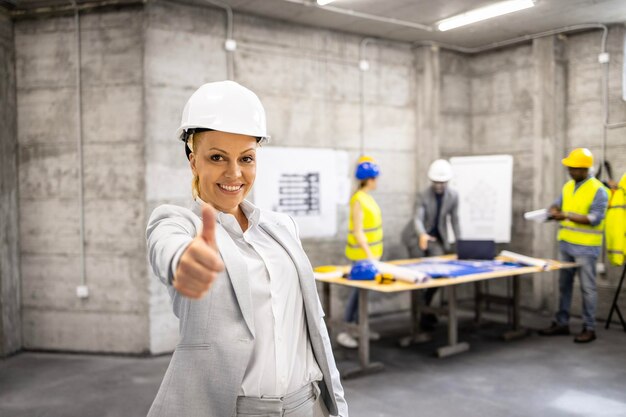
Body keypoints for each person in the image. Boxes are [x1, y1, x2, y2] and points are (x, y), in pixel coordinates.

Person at [146, 81, 348, 417]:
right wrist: (184, 261)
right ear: (193, 162)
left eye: (246, 158)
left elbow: (313, 329)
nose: (234, 173)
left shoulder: (282, 227)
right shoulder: (178, 224)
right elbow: (167, 247)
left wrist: (335, 404)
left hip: (307, 404)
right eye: (217, 157)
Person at [539, 148, 608, 343]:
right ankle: (562, 323)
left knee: (587, 288)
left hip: (586, 248)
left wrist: (566, 215)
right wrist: (553, 211)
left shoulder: (599, 190)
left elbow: (595, 219)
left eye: (574, 168)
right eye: (569, 167)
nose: (570, 170)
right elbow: (556, 205)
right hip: (566, 245)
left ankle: (589, 328)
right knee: (564, 286)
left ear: (585, 169)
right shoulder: (568, 186)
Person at [401, 159, 460, 330]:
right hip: (417, 237)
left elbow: (455, 220)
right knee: (418, 276)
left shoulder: (453, 196)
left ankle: (425, 306)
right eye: (436, 182)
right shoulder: (423, 195)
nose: (439, 186)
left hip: (436, 238)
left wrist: (460, 242)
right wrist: (422, 235)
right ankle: (421, 315)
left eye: (442, 183)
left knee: (440, 273)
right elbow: (417, 218)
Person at [336, 157, 383, 349]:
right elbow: (358, 231)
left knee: (363, 295)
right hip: (362, 257)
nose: (377, 181)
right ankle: (346, 332)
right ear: (369, 179)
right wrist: (369, 256)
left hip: (371, 255)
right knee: (356, 296)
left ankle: (361, 328)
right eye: (376, 178)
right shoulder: (358, 200)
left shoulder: (366, 197)